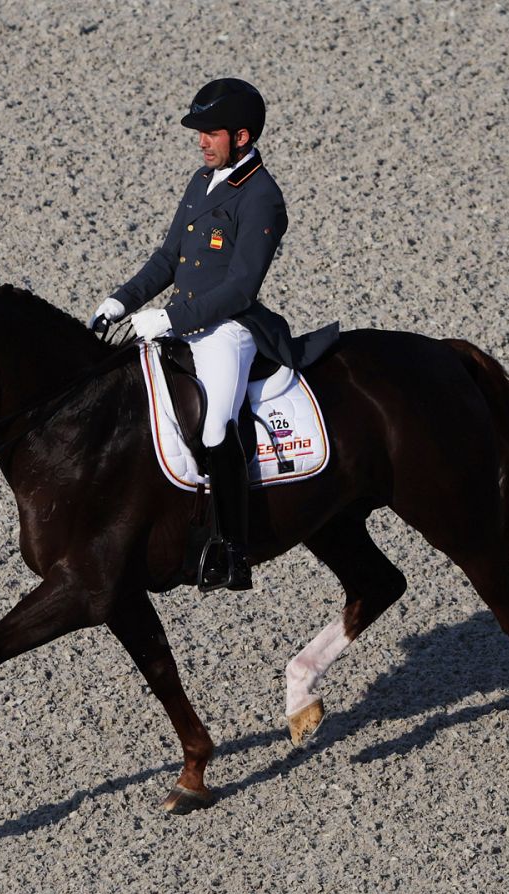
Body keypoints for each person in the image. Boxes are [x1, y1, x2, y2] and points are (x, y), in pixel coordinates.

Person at [90, 78, 336, 592]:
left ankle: (232, 550)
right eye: (198, 132)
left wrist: (168, 320)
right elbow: (166, 259)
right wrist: (120, 301)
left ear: (242, 136)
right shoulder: (201, 182)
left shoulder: (263, 197)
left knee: (216, 428)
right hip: (183, 319)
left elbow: (242, 289)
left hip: (229, 330)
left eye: (210, 133)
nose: (200, 141)